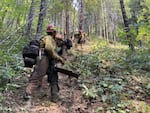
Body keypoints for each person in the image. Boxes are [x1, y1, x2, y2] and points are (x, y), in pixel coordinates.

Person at [24, 24, 66, 102]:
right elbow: (49, 49)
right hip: (43, 58)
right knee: (37, 76)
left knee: (53, 76)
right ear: (53, 32)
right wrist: (58, 58)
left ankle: (55, 96)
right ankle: (28, 94)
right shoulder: (48, 38)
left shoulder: (50, 39)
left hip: (48, 59)